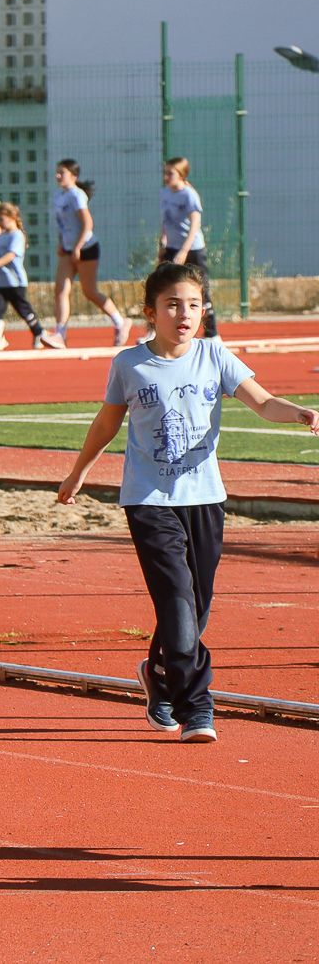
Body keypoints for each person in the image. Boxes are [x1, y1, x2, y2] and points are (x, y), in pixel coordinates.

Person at [57, 263, 318, 743]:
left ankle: (157, 678)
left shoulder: (215, 356)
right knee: (177, 604)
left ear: (204, 311)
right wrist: (80, 472)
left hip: (205, 499)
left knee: (194, 610)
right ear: (150, 311)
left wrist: (299, 413)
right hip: (149, 500)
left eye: (193, 305)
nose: (184, 313)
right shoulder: (129, 364)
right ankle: (197, 708)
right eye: (172, 304)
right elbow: (106, 424)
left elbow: (262, 402)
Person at [50, 159, 130, 346]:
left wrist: (77, 247)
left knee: (90, 291)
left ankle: (121, 322)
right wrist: (62, 243)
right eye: (57, 172)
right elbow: (63, 225)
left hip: (86, 248)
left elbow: (87, 224)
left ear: (73, 176)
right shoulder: (58, 196)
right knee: (60, 291)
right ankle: (60, 334)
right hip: (68, 250)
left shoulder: (77, 196)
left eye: (62, 172)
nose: (58, 176)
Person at [0, 204, 64, 350]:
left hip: (14, 281)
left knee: (23, 310)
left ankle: (39, 333)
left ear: (12, 217)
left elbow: (11, 255)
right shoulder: (1, 236)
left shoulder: (17, 235)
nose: (0, 223)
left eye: (2, 219)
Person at [159, 157, 216, 338]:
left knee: (201, 289)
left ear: (182, 175)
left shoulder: (189, 195)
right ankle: (159, 332)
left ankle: (212, 334)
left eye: (171, 173)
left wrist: (184, 250)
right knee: (164, 287)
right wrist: (162, 242)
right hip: (172, 247)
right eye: (165, 173)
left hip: (192, 249)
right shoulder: (165, 193)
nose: (167, 177)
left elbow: (195, 224)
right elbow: (165, 221)